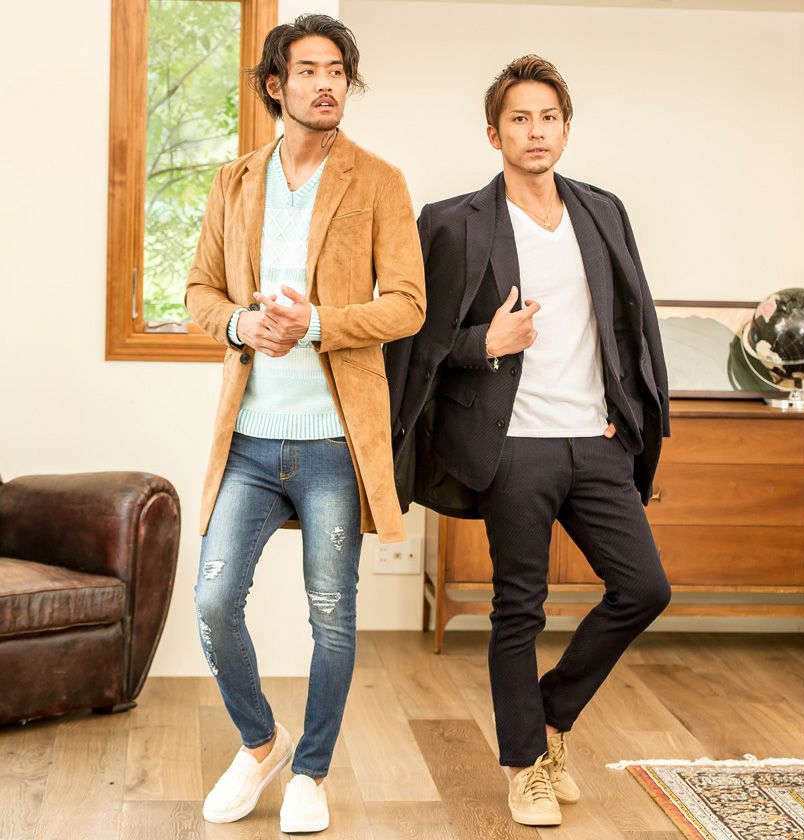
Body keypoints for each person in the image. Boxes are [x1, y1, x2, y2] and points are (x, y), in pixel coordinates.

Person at [386, 55, 671, 827]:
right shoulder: (452, 222)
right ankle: (524, 768)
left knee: (645, 589)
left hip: (596, 442)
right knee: (520, 609)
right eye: (519, 118)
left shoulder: (602, 211)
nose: (535, 131)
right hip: (513, 447)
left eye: (548, 117)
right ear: (494, 133)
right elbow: (415, 338)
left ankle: (546, 718)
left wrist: (627, 412)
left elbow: (629, 321)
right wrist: (486, 342)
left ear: (566, 130)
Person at [185, 14, 424, 834]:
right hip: (249, 439)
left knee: (332, 613)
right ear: (275, 85)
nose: (326, 84)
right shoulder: (233, 182)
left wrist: (317, 323)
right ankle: (262, 744)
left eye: (338, 72)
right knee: (214, 602)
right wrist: (240, 325)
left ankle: (311, 772)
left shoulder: (380, 181)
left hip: (333, 442)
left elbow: (409, 304)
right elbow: (200, 293)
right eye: (309, 70)